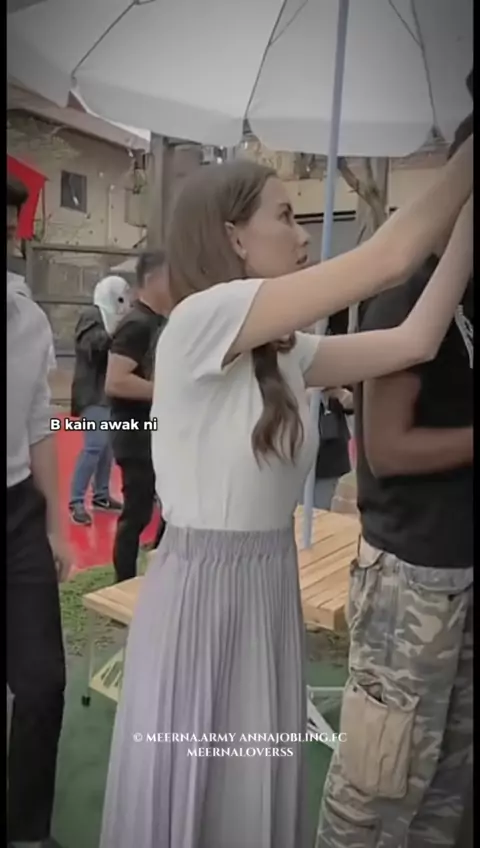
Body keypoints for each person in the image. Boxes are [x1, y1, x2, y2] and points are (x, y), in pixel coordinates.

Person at [100, 137, 472, 848]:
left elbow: (417, 340)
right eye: (284, 216)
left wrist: (467, 222)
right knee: (205, 794)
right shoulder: (200, 320)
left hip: (266, 585)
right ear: (234, 237)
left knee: (246, 796)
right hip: (206, 596)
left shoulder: (285, 352)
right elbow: (390, 259)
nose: (301, 236)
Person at [317, 122, 473, 848]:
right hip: (412, 579)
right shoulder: (407, 296)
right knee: (379, 780)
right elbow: (386, 447)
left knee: (447, 779)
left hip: (461, 567)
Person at [7, 174, 72, 848]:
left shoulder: (29, 321)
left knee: (44, 683)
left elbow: (38, 426)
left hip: (18, 514)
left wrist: (56, 526)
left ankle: (28, 832)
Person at [105, 250, 169, 583]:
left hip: (159, 434)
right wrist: (167, 391)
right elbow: (116, 381)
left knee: (172, 507)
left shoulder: (160, 321)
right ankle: (123, 582)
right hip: (135, 435)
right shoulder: (136, 323)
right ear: (154, 278)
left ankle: (160, 571)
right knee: (137, 514)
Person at [68, 275, 130, 525]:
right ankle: (76, 501)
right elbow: (90, 347)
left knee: (107, 448)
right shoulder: (92, 315)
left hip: (108, 395)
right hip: (91, 393)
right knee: (95, 445)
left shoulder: (115, 320)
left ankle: (101, 495)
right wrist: (115, 331)